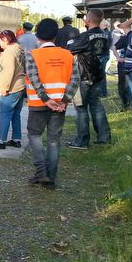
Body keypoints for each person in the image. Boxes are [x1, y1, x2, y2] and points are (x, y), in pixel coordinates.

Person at [24, 18, 80, 188]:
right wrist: (64, 101)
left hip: (38, 104)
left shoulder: (32, 55)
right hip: (59, 106)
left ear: (38, 36)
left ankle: (41, 171)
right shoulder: (68, 55)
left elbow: (34, 79)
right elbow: (75, 79)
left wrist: (46, 99)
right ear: (56, 35)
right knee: (54, 141)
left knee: (34, 135)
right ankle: (51, 178)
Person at [66, 9, 111, 150]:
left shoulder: (85, 36)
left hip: (83, 76)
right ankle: (104, 137)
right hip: (98, 76)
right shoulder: (105, 35)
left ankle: (82, 141)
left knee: (81, 108)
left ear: (89, 20)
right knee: (97, 107)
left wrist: (71, 42)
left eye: (86, 18)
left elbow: (70, 48)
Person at [0, 30, 25, 150]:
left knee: (5, 114)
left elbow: (8, 72)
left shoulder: (9, 52)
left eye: (0, 41)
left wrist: (4, 88)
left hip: (11, 88)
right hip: (20, 86)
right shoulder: (19, 49)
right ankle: (16, 139)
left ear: (6, 40)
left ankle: (1, 141)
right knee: (16, 114)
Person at [112, 21, 132, 110]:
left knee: (124, 84)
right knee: (125, 84)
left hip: (126, 64)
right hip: (126, 63)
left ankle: (127, 103)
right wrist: (118, 58)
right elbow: (114, 47)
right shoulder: (126, 37)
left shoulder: (127, 37)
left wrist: (118, 58)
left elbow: (114, 47)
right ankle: (126, 103)